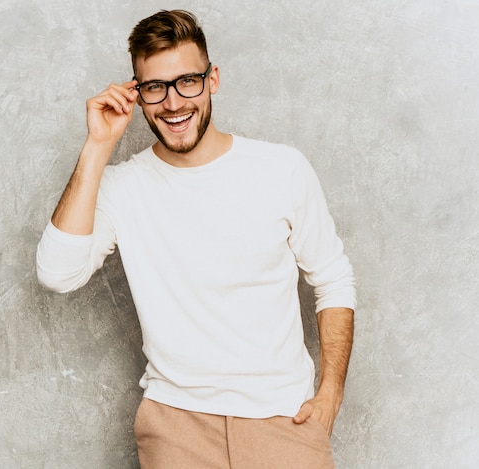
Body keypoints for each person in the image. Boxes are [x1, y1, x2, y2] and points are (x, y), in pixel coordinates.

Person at [36, 9, 355, 469]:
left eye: (187, 81)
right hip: (176, 429)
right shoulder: (121, 188)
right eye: (155, 88)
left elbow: (334, 279)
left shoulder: (281, 170)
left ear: (213, 80)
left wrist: (329, 397)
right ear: (137, 95)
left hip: (285, 423)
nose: (173, 102)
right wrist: (97, 145)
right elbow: (56, 273)